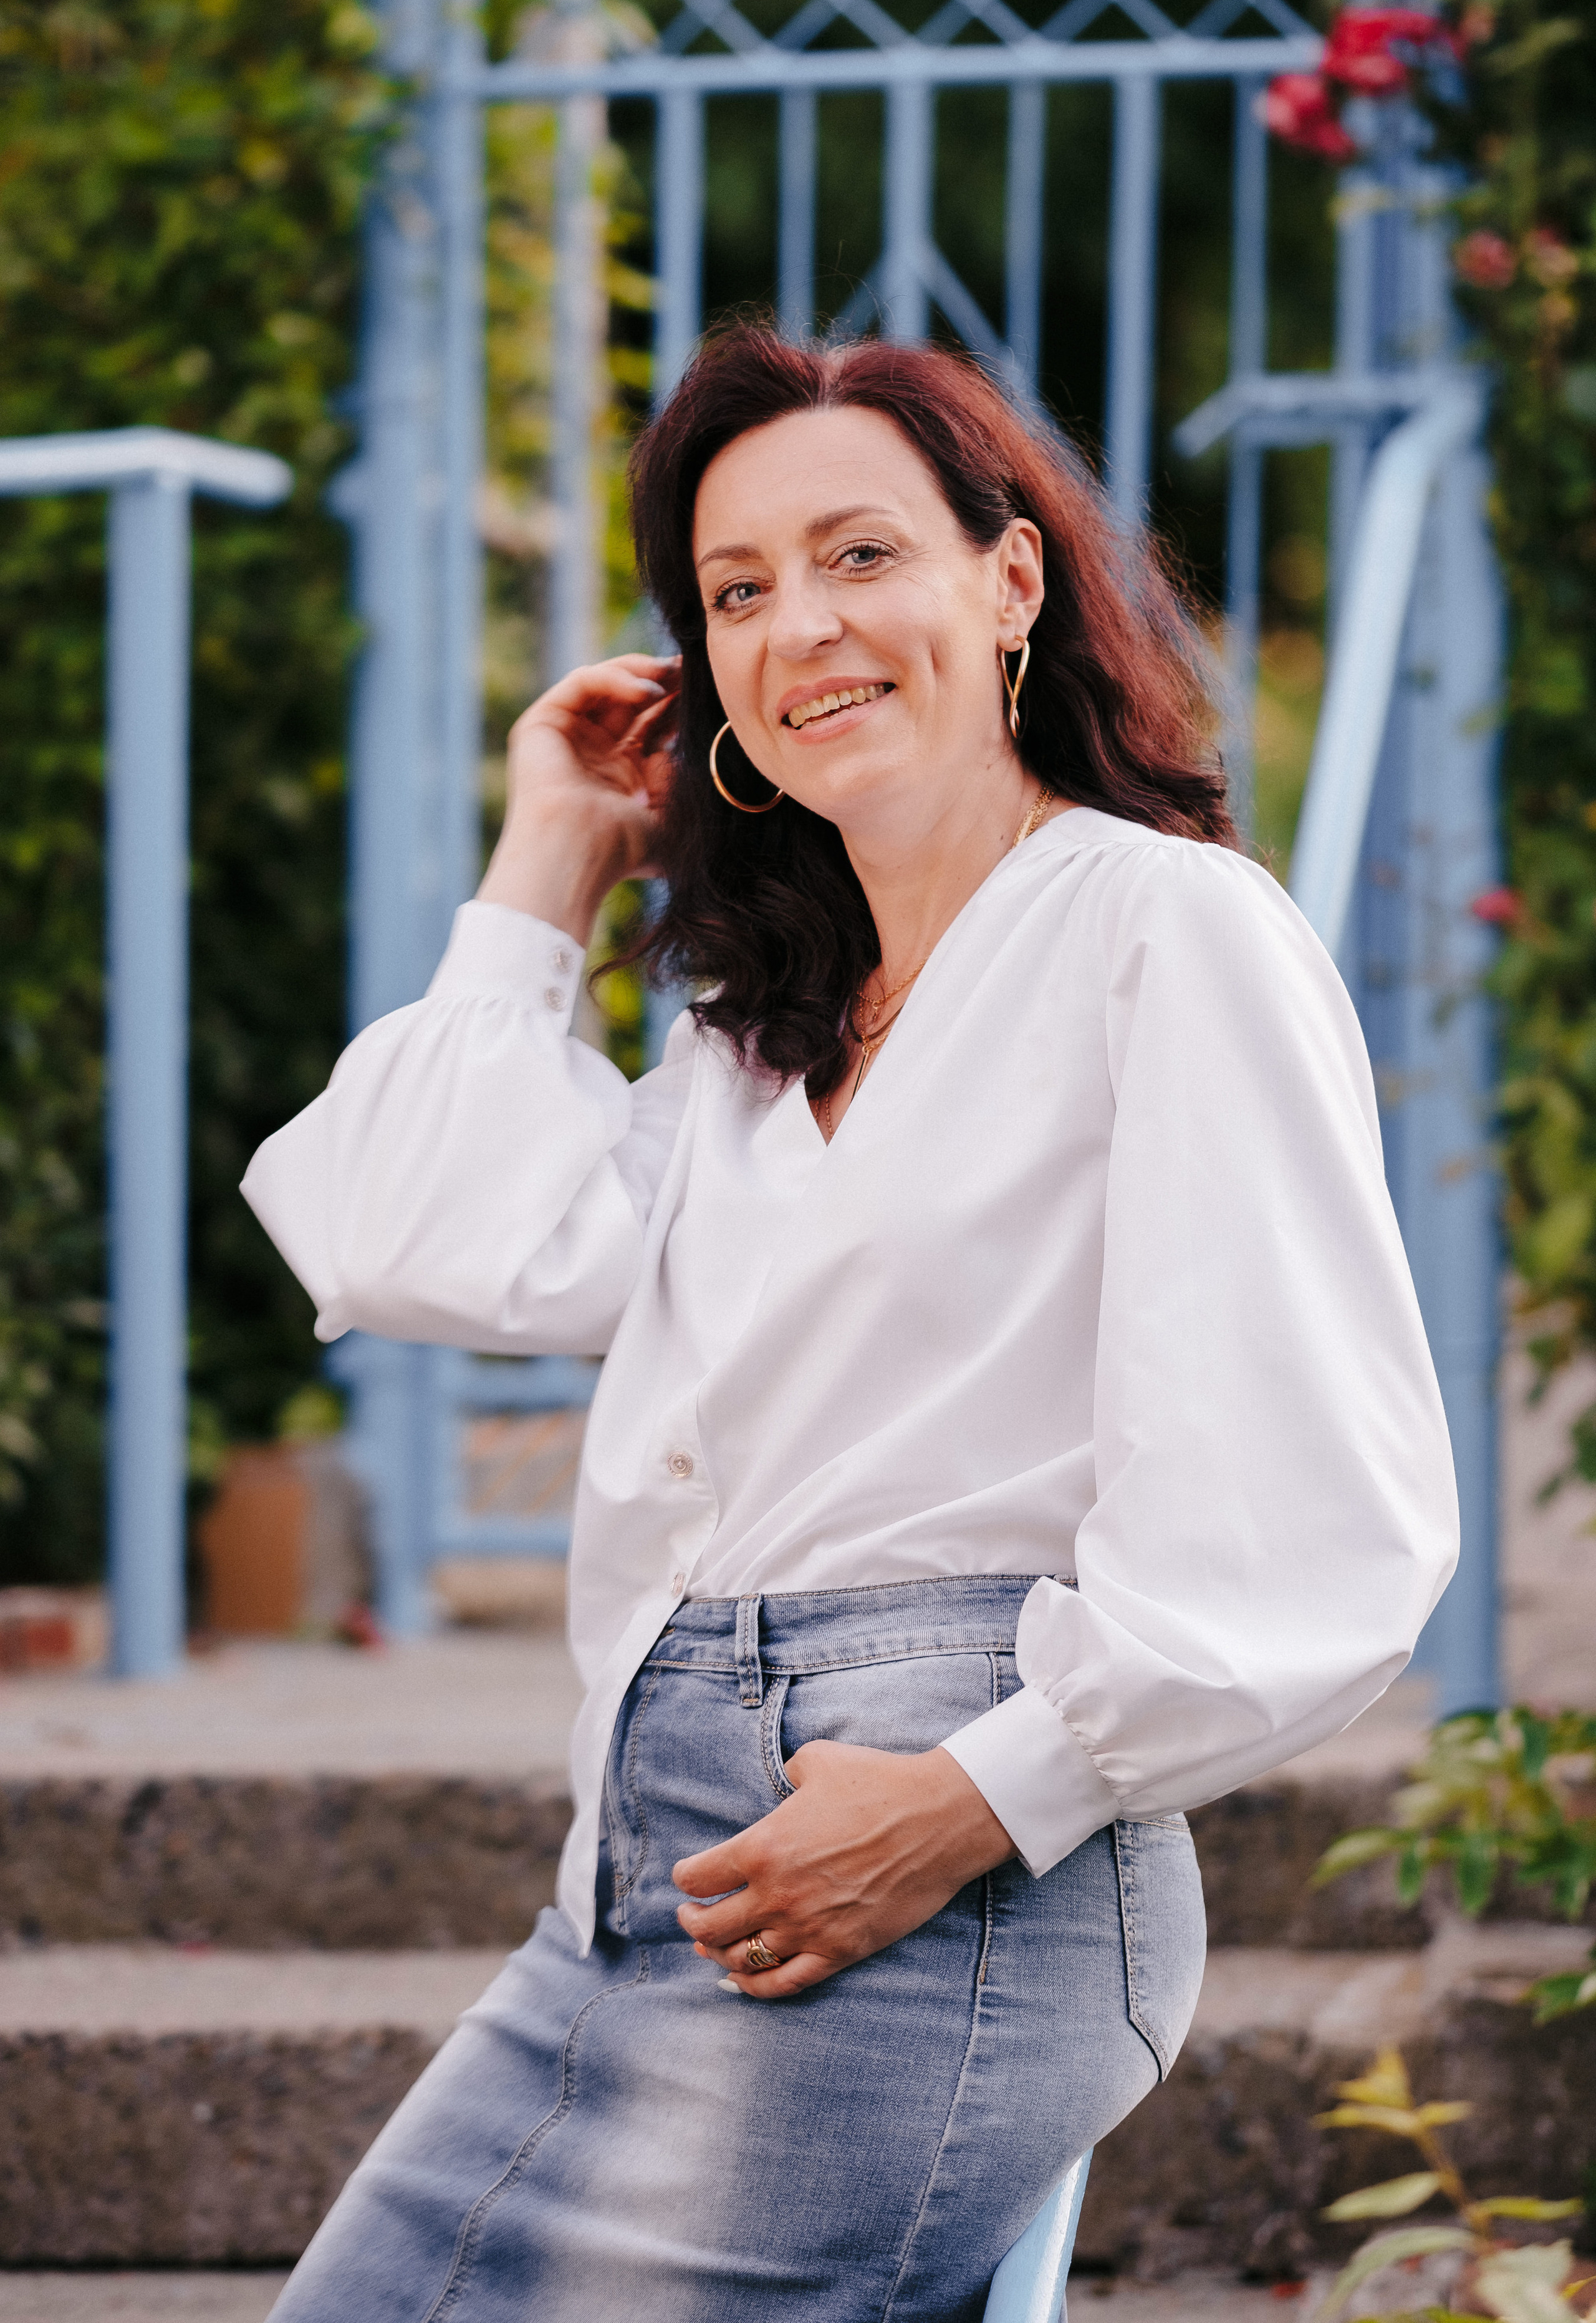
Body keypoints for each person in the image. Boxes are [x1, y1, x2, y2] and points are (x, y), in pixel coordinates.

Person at [245, 324, 1458, 2323]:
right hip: (641, 1888)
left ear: (1012, 582)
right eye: (737, 592)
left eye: (860, 555)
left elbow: (1313, 1500)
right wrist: (546, 857)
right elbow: (406, 1240)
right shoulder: (753, 1053)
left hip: (944, 1872)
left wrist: (992, 1794)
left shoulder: (1166, 929)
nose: (800, 625)